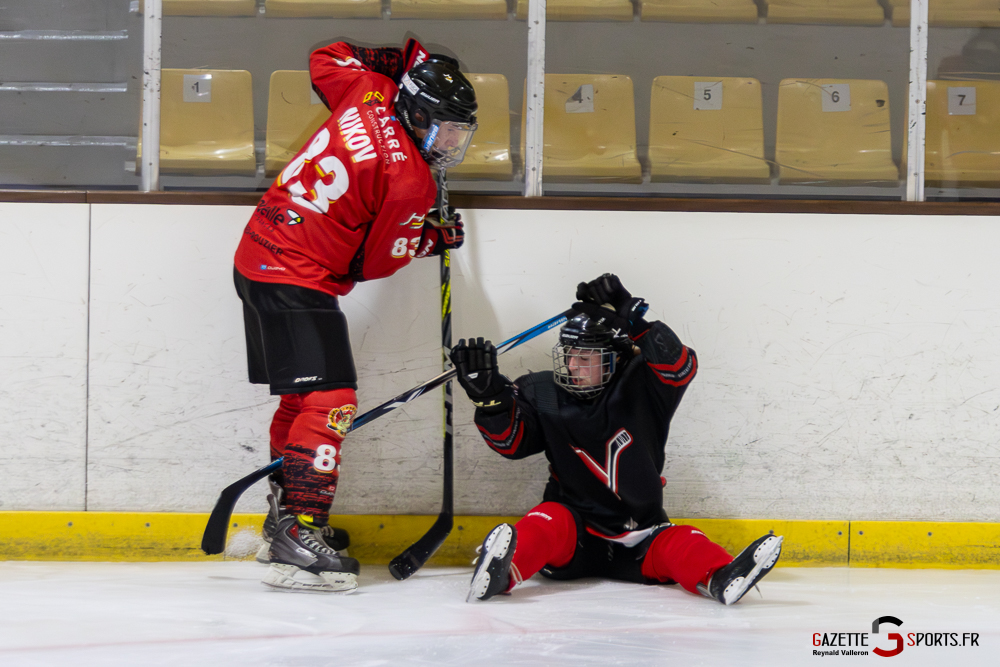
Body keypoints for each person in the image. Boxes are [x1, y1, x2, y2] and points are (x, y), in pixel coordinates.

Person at [233, 37, 478, 592]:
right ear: (418, 114)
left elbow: (326, 55)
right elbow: (374, 264)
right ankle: (299, 531)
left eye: (460, 132)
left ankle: (284, 522)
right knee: (332, 400)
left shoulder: (369, 89)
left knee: (301, 400)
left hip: (256, 255)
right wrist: (431, 240)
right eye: (445, 129)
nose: (451, 143)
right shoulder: (411, 182)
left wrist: (403, 61)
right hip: (293, 275)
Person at [450, 274, 783, 604]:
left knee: (678, 540)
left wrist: (633, 317)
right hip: (573, 534)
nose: (572, 366)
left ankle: (720, 577)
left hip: (642, 536)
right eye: (568, 355)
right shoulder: (543, 392)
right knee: (548, 519)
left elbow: (679, 365)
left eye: (585, 358)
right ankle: (500, 573)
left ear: (615, 358)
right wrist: (490, 400)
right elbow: (511, 444)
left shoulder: (643, 384)